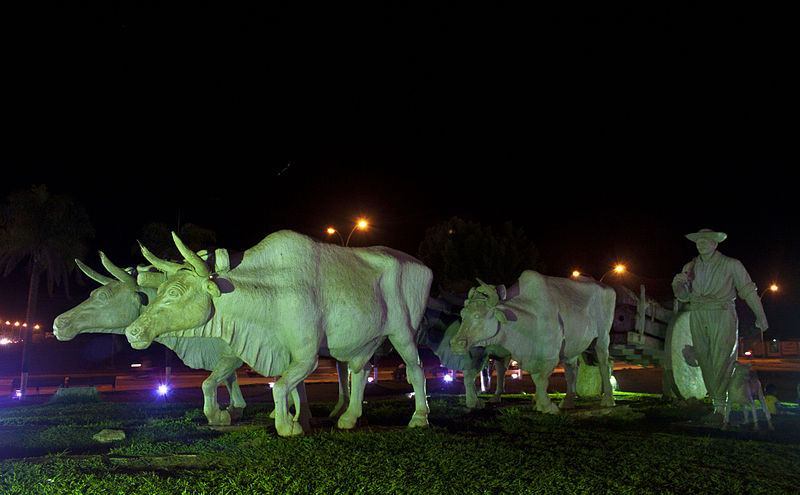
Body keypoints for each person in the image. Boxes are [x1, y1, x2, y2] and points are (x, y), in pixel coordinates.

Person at [672, 228, 769, 421]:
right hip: (698, 313)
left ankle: (721, 408)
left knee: (722, 359)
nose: (701, 244)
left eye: (705, 241)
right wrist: (678, 285)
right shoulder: (690, 266)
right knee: (705, 359)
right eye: (698, 241)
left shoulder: (731, 265)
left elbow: (748, 290)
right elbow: (682, 296)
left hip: (722, 313)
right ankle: (718, 406)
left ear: (715, 244)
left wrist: (761, 315)